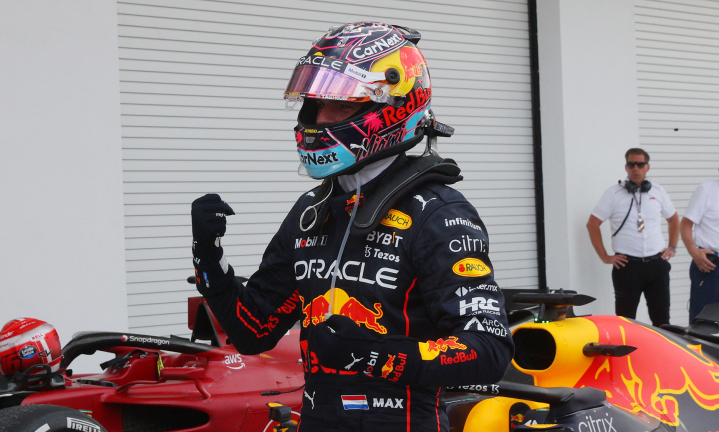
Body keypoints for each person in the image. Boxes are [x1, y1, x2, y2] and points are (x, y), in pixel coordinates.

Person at [190, 22, 513, 432]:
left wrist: (374, 353)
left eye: (341, 107)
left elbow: (489, 350)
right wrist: (210, 263)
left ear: (392, 108)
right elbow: (255, 331)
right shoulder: (312, 209)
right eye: (316, 104)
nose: (321, 118)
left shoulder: (438, 213)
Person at [586, 148, 679, 327]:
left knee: (662, 320)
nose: (636, 168)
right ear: (626, 167)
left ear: (647, 167)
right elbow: (592, 224)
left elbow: (673, 219)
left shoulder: (658, 191)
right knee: (626, 321)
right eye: (631, 164)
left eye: (640, 164)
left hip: (656, 264)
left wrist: (672, 246)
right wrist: (605, 257)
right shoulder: (613, 193)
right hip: (627, 267)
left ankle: (660, 354)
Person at [680, 177, 719, 322]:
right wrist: (694, 252)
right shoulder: (706, 190)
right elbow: (685, 224)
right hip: (711, 266)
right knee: (703, 323)